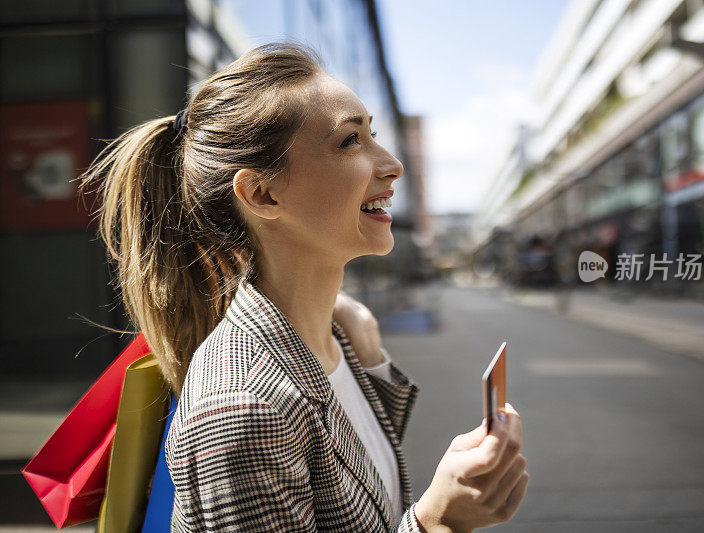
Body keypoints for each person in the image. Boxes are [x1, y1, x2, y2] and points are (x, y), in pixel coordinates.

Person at [78, 41, 528, 532]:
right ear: (263, 194)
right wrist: (437, 521)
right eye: (349, 142)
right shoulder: (244, 407)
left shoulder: (336, 339)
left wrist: (371, 358)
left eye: (372, 134)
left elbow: (352, 491)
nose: (392, 165)